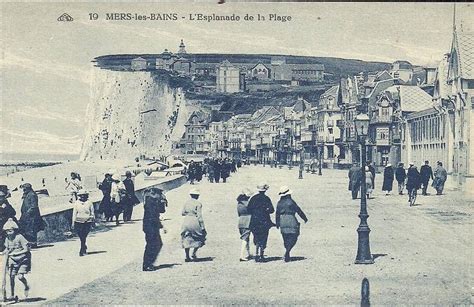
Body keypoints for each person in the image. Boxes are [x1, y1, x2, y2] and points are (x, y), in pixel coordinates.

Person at [275, 186, 308, 262]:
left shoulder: (279, 203)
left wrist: (277, 223)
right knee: (294, 235)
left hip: (282, 220)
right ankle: (288, 251)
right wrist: (304, 218)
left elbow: (277, 213)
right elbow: (298, 210)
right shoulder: (291, 202)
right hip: (291, 219)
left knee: (285, 237)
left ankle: (287, 250)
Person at [3, 218, 31, 301]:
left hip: (23, 259)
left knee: (20, 276)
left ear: (15, 230)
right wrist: (3, 252)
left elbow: (26, 249)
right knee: (11, 277)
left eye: (10, 231)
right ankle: (12, 295)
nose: (9, 233)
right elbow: (7, 249)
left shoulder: (20, 237)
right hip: (13, 260)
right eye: (7, 231)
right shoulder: (7, 239)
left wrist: (16, 253)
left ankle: (26, 286)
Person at [247, 183, 274, 262]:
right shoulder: (266, 198)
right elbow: (272, 210)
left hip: (254, 221)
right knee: (263, 237)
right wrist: (266, 210)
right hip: (264, 221)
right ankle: (261, 254)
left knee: (256, 237)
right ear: (265, 190)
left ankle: (256, 254)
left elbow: (248, 209)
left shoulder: (253, 198)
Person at [142, 187, 167, 271]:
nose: (161, 196)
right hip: (150, 227)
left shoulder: (153, 201)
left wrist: (162, 203)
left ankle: (149, 263)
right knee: (151, 245)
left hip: (153, 227)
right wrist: (160, 225)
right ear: (155, 194)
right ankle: (147, 264)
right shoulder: (150, 202)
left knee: (157, 244)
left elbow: (162, 211)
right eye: (160, 194)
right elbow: (153, 216)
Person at [181, 189, 206, 262]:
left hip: (186, 220)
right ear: (197, 196)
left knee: (186, 237)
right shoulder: (198, 203)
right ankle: (194, 253)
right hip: (194, 220)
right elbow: (199, 216)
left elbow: (182, 213)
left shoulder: (186, 203)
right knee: (200, 236)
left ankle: (187, 256)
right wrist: (203, 227)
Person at [18, 184, 44, 248]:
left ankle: (33, 244)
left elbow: (34, 206)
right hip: (27, 216)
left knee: (32, 230)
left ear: (28, 188)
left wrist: (27, 213)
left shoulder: (32, 195)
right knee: (28, 230)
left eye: (24, 189)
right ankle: (30, 244)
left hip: (32, 216)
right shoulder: (27, 194)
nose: (23, 190)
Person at [71, 190, 95, 256]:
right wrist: (73, 222)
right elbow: (74, 213)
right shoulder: (76, 203)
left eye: (84, 195)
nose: (82, 196)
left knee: (84, 236)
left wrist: (93, 220)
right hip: (78, 221)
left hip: (87, 221)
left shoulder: (89, 202)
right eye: (81, 195)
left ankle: (82, 249)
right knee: (81, 236)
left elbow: (92, 212)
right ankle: (83, 246)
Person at [237, 188, 253, 262]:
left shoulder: (239, 204)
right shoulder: (248, 204)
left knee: (246, 238)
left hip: (241, 220)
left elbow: (239, 214)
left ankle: (248, 253)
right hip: (248, 221)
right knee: (245, 239)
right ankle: (242, 255)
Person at [0, 187, 17, 252]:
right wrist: (1, 208)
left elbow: (13, 212)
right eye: (1, 197)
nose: (2, 198)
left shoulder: (6, 203)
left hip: (5, 222)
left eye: (3, 197)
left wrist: (6, 208)